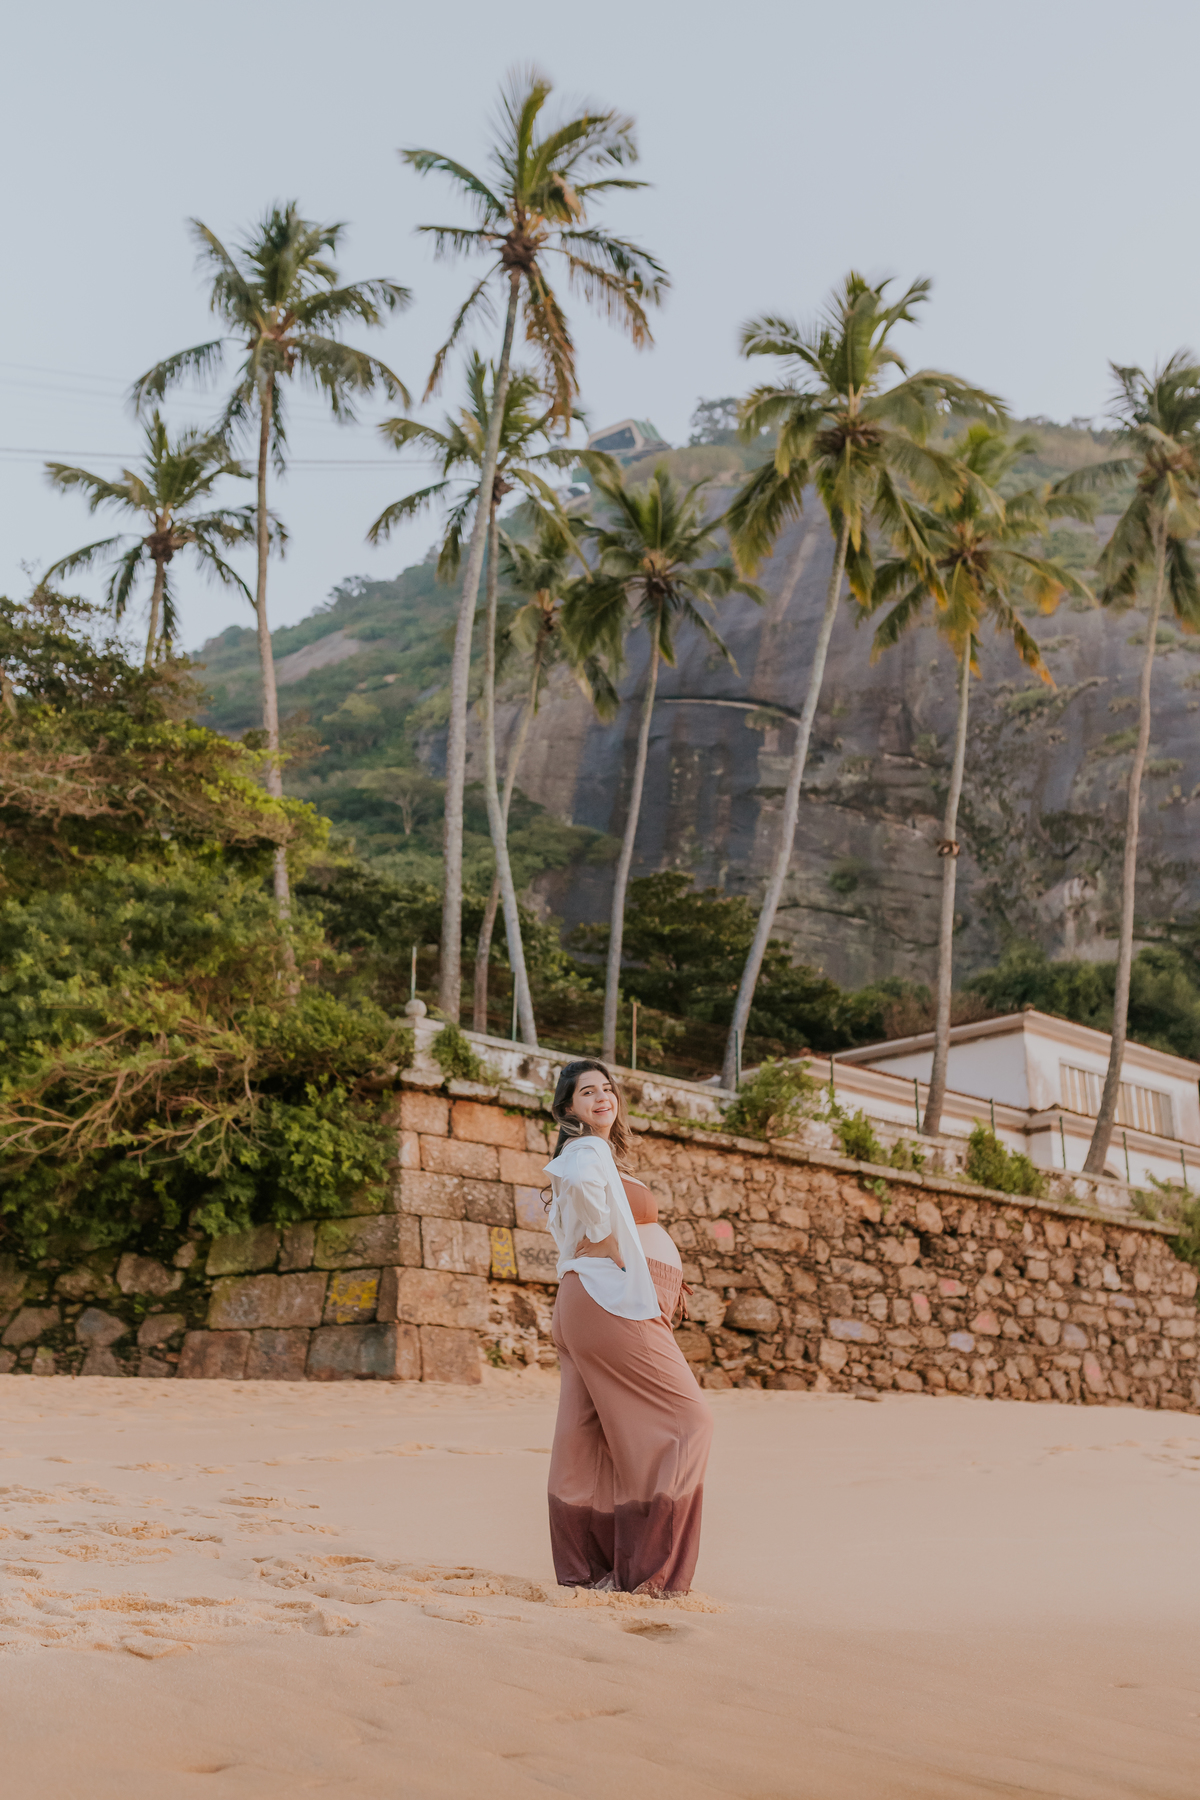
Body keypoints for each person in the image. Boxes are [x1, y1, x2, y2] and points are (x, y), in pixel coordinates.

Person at [543, 1058, 713, 1596]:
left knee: (585, 1438)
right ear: (568, 1107)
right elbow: (594, 1215)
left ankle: (586, 1572)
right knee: (690, 1422)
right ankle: (653, 1575)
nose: (601, 1097)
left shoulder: (593, 1155)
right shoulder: (586, 1151)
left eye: (607, 1089)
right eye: (586, 1091)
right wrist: (621, 1255)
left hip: (591, 1301)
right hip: (610, 1299)